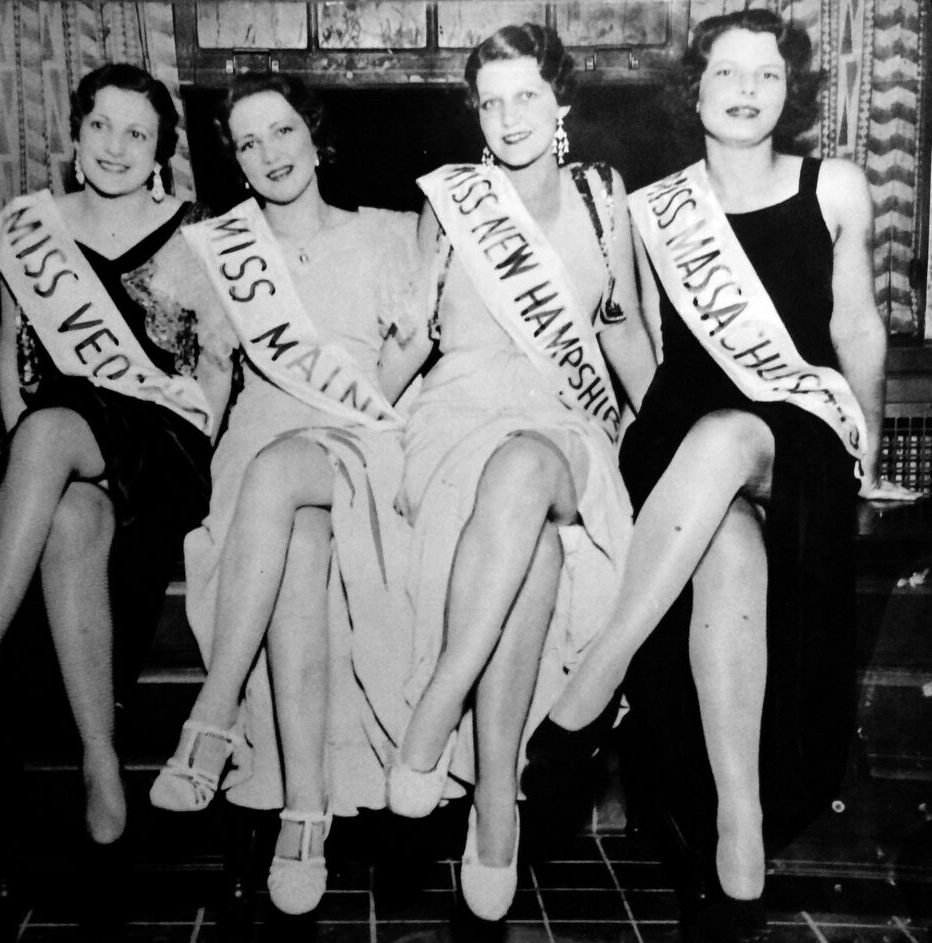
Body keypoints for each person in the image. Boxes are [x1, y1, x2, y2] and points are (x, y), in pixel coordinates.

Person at [523, 10, 919, 940]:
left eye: (767, 76)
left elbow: (858, 327)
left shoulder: (837, 188)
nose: (746, 90)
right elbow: (629, 333)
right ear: (693, 90)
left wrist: (861, 445)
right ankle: (734, 838)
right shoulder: (652, 209)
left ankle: (590, 686)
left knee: (733, 437)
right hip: (685, 429)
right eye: (727, 74)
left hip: (797, 433)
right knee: (724, 544)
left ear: (792, 93)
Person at [0, 63, 233, 853]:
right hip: (66, 451)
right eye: (100, 126)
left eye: (136, 133)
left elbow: (215, 367)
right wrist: (27, 472)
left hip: (163, 447)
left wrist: (202, 438)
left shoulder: (198, 229)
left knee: (51, 430)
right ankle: (100, 762)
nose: (115, 145)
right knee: (68, 509)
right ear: (75, 140)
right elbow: (19, 367)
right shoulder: (30, 231)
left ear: (160, 153)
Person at [386, 24, 657, 922]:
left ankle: (437, 705)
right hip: (456, 424)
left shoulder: (602, 198)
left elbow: (621, 332)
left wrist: (667, 442)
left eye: (526, 96)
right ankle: (495, 803)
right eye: (490, 101)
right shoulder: (451, 205)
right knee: (531, 545)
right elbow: (409, 343)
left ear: (562, 103)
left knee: (531, 462)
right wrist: (351, 422)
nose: (507, 118)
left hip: (567, 430)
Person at [150, 72, 424, 916]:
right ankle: (305, 817)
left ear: (313, 135)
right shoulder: (215, 251)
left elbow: (404, 367)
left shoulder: (389, 235)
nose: (269, 154)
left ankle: (213, 712)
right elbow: (203, 377)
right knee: (295, 537)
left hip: (359, 441)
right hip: (260, 444)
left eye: (281, 132)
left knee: (286, 474)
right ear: (234, 161)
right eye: (247, 143)